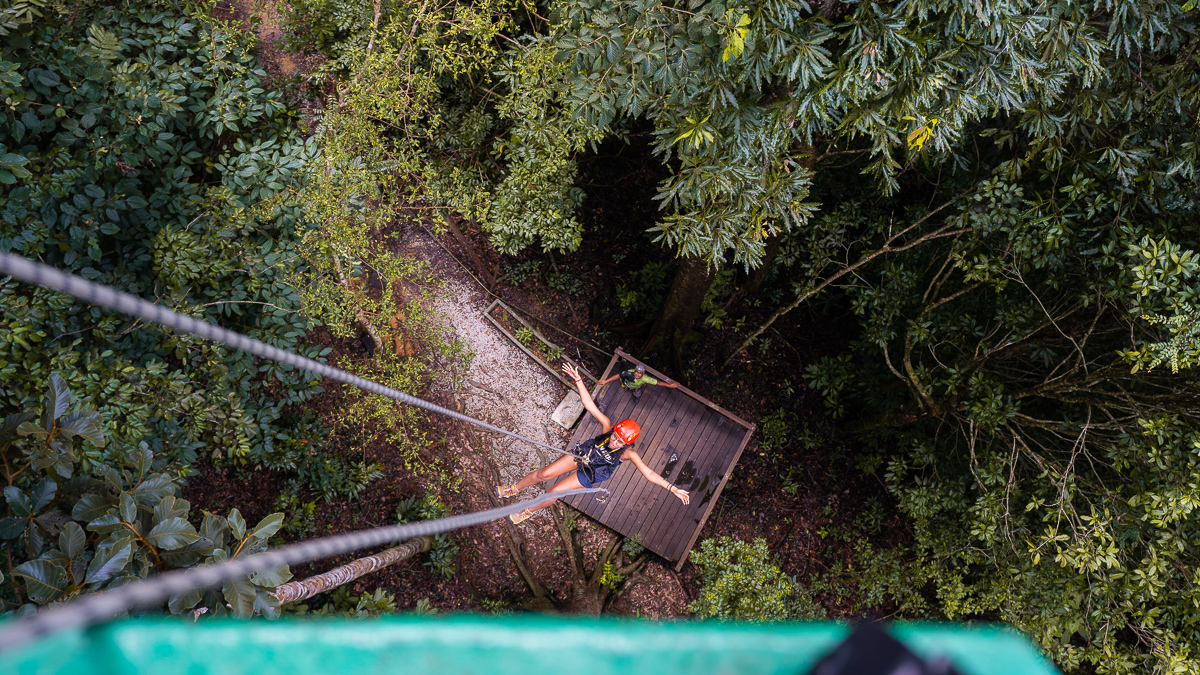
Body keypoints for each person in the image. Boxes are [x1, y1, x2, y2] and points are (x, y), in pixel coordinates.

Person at [496, 363, 690, 524]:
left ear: (626, 444)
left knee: (554, 491)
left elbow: (648, 473)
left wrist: (672, 488)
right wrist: (579, 380)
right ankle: (513, 489)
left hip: (590, 473)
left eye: (619, 441)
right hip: (583, 456)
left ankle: (527, 510)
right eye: (614, 436)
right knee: (544, 473)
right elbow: (589, 405)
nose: (613, 441)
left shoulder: (627, 454)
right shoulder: (608, 427)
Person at [597, 363, 679, 400]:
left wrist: (670, 385)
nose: (637, 374)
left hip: (636, 387)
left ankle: (635, 396)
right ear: (634, 371)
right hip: (626, 383)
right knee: (625, 386)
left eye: (640, 373)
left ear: (643, 374)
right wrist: (606, 381)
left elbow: (658, 382)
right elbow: (618, 375)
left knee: (637, 393)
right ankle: (627, 388)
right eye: (636, 372)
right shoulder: (629, 372)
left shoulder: (645, 379)